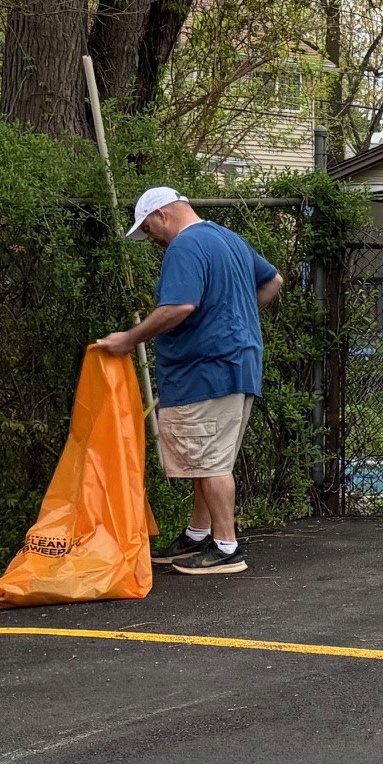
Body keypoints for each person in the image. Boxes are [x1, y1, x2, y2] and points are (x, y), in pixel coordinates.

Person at [98, 186, 284, 577]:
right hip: (238, 364)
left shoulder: (185, 246)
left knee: (210, 462)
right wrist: (234, 315)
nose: (152, 241)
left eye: (148, 230)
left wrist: (129, 340)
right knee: (205, 458)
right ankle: (197, 535)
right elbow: (273, 282)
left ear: (163, 215)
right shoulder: (226, 238)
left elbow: (180, 306)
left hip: (204, 369)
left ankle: (226, 548)